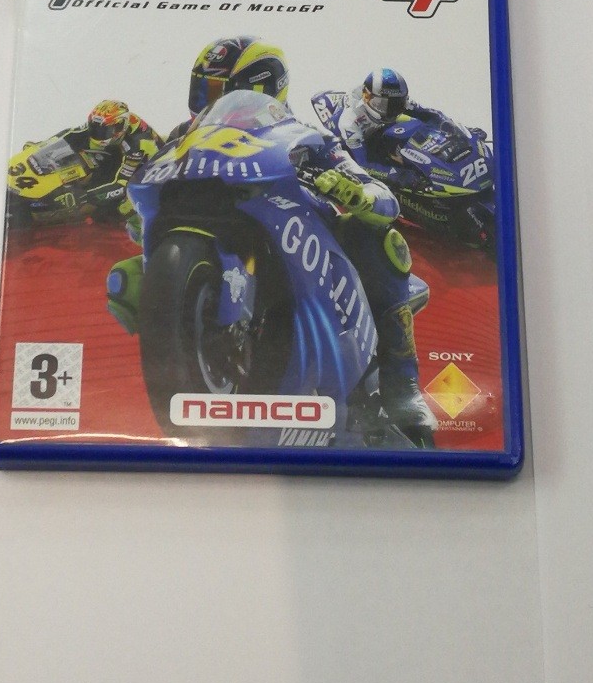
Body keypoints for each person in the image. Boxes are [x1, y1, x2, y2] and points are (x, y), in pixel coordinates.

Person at [180, 38, 436, 441]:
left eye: (217, 90)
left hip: (311, 250)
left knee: (381, 240)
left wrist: (357, 195)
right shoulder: (183, 141)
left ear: (259, 89)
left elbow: (384, 198)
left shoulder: (302, 138)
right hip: (219, 234)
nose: (208, 101)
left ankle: (401, 385)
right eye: (204, 89)